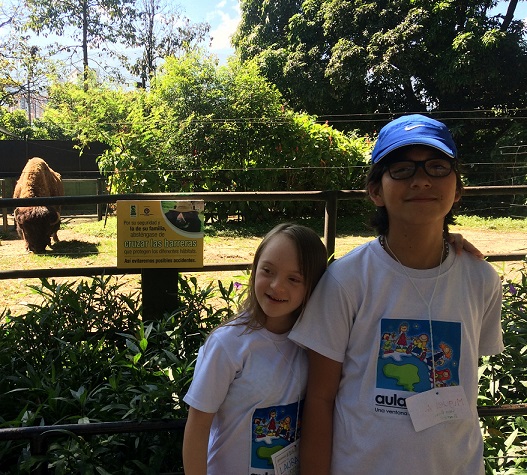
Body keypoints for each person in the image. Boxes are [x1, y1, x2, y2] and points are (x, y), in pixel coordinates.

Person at [289, 114, 504, 475]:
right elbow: (321, 399)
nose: (421, 181)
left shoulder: (481, 280)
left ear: (458, 187)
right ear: (376, 191)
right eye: (402, 169)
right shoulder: (346, 280)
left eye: (437, 167)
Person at [182, 223, 328, 475]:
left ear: (313, 286)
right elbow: (197, 426)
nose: (276, 286)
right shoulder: (228, 344)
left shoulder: (314, 345)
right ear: (254, 269)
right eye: (267, 271)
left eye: (294, 279)